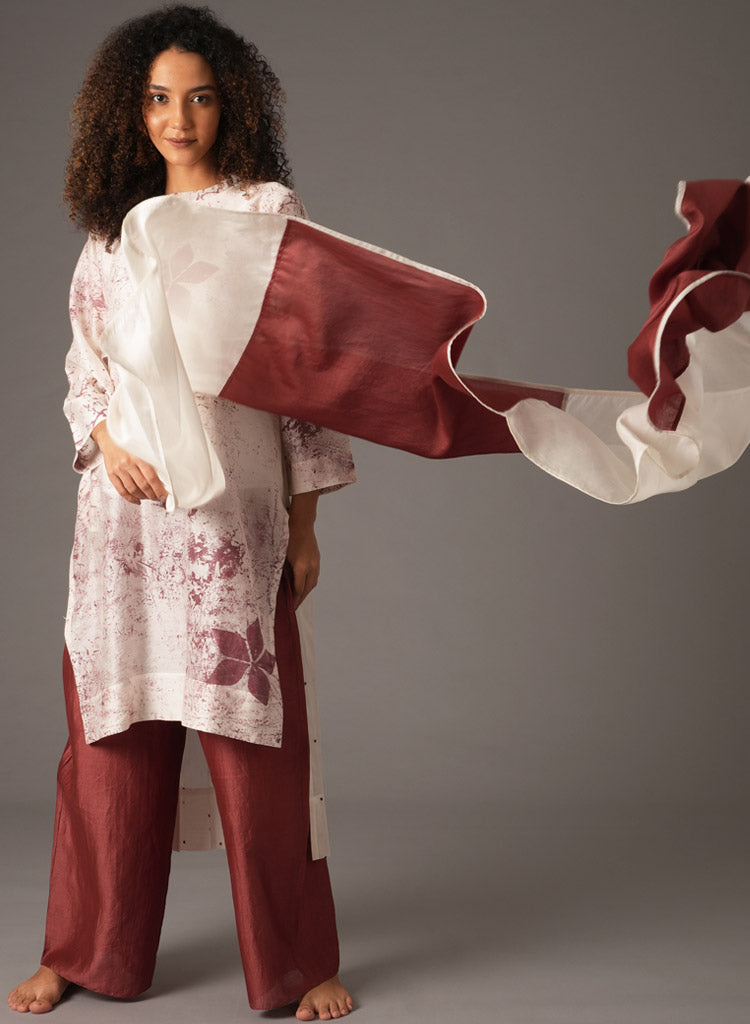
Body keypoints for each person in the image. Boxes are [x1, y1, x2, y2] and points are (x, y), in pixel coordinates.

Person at [8, 6, 356, 1019]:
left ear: (230, 105)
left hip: (231, 529)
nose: (179, 117)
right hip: (122, 535)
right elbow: (84, 368)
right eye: (159, 98)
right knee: (106, 746)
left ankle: (298, 964)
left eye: (199, 97)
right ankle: (86, 954)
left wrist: (305, 524)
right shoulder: (107, 236)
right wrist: (104, 443)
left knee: (259, 753)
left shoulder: (267, 223)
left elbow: (306, 382)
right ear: (131, 111)